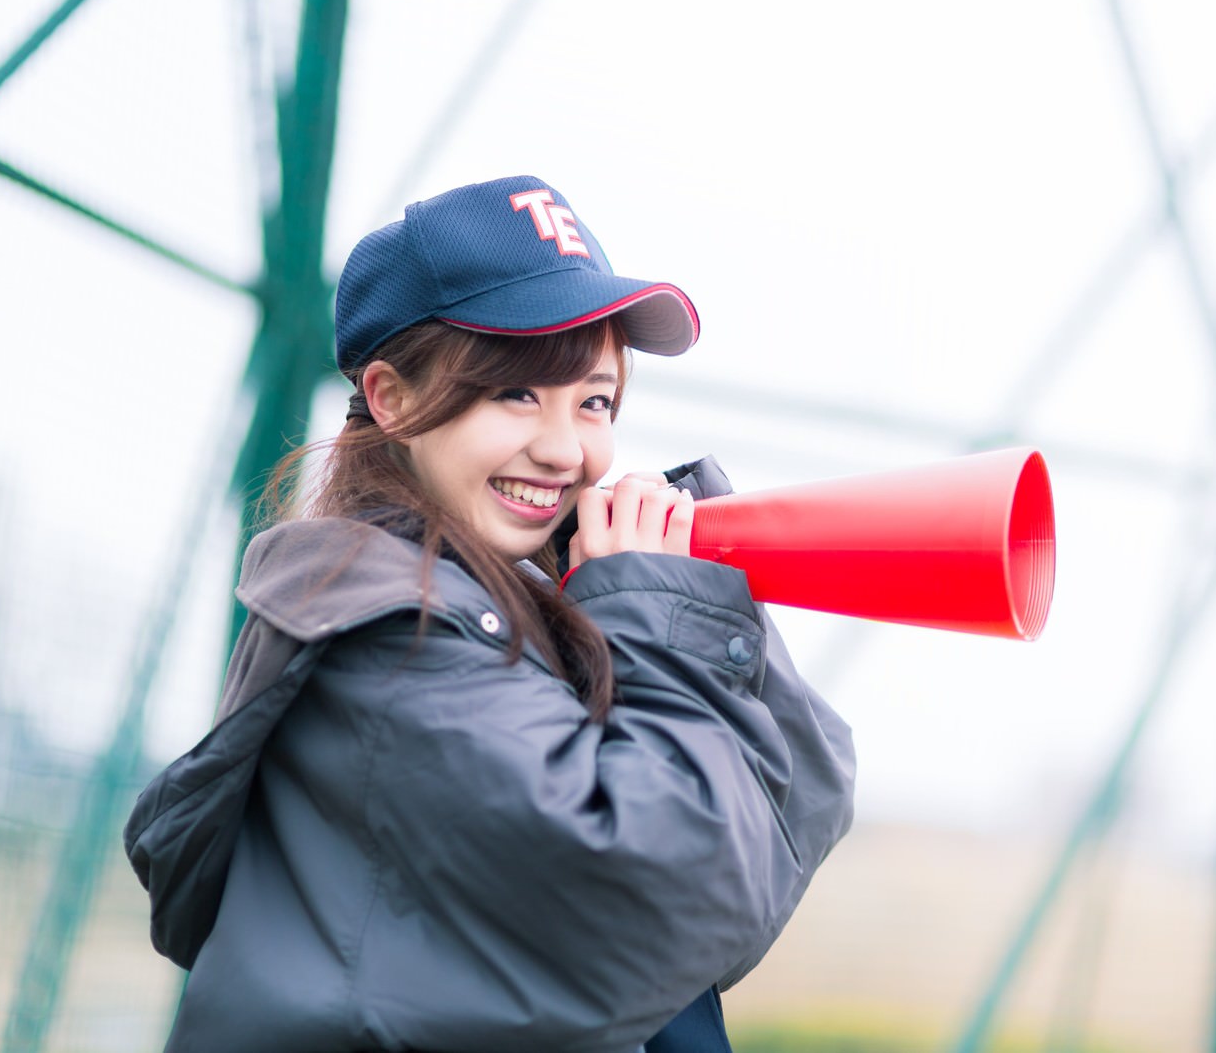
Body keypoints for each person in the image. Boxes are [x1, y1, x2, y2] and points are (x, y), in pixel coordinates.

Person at [123, 176, 857, 1052]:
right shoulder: (386, 635)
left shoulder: (511, 605)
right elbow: (668, 893)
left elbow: (797, 803)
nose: (561, 449)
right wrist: (660, 618)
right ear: (392, 398)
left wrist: (684, 585)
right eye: (516, 393)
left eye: (593, 402)